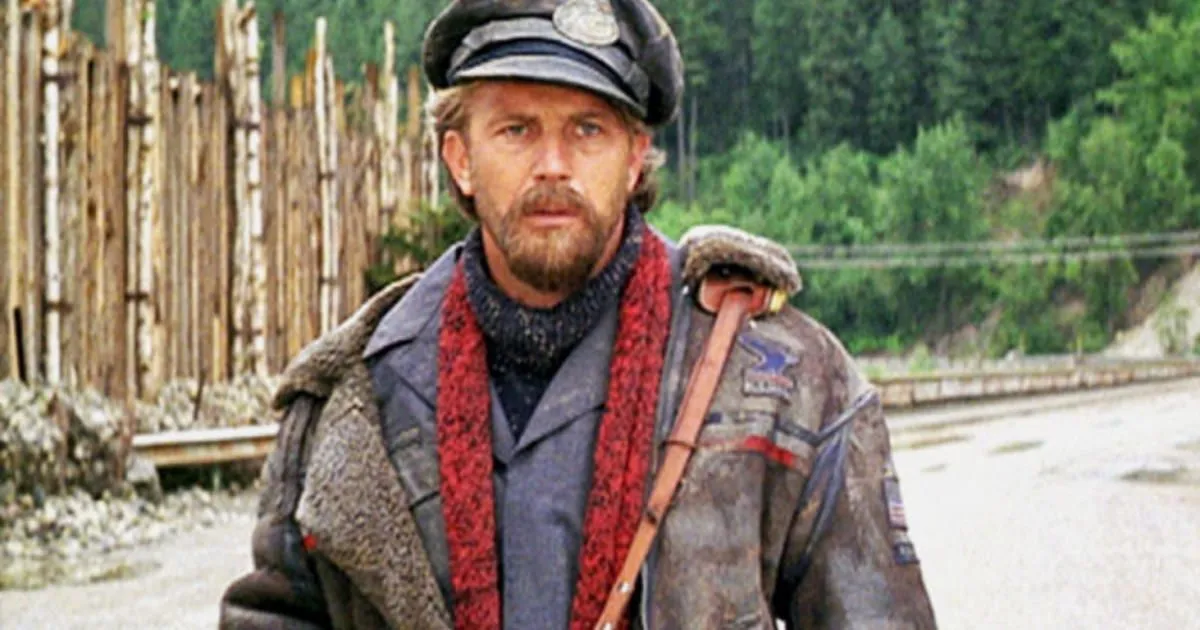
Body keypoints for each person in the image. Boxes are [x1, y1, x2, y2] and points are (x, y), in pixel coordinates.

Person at [218, 1, 937, 628]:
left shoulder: (779, 380)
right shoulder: (358, 398)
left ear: (634, 158)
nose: (554, 165)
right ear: (460, 159)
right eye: (517, 130)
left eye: (588, 129)